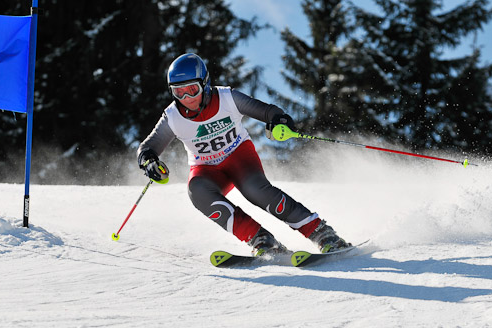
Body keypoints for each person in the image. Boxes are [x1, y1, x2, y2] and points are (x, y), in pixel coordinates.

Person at [137, 53, 350, 256]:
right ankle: (262, 240)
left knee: (254, 189)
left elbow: (267, 111)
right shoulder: (172, 116)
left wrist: (279, 120)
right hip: (207, 169)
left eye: (192, 90)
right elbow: (149, 146)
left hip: (239, 157)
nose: (186, 98)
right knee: (197, 191)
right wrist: (148, 160)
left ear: (205, 83)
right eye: (178, 92)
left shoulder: (227, 98)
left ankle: (322, 233)